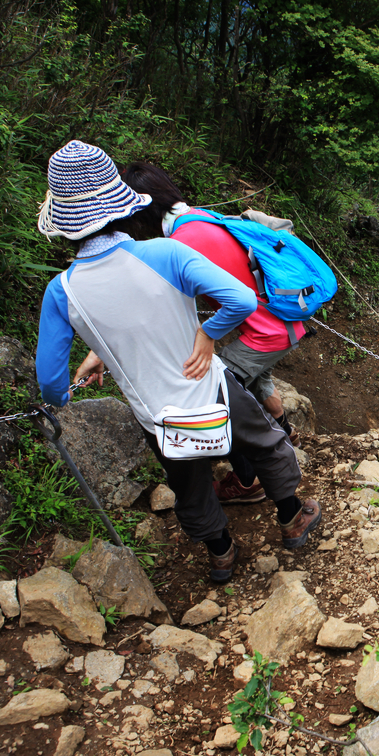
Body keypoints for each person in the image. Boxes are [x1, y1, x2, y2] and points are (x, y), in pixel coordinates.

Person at [35, 141, 320, 583]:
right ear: (121, 205)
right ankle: (292, 519)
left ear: (66, 223)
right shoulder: (166, 254)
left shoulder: (62, 291)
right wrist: (207, 334)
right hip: (211, 387)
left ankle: (222, 554)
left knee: (188, 483)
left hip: (156, 414)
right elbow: (241, 299)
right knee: (266, 444)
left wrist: (101, 354)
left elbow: (53, 388)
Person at [120, 162, 304, 506]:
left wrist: (207, 332)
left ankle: (248, 480)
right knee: (259, 385)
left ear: (143, 207)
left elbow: (231, 302)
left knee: (216, 393)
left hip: (264, 333)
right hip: (279, 325)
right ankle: (287, 435)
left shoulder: (183, 240)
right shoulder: (200, 219)